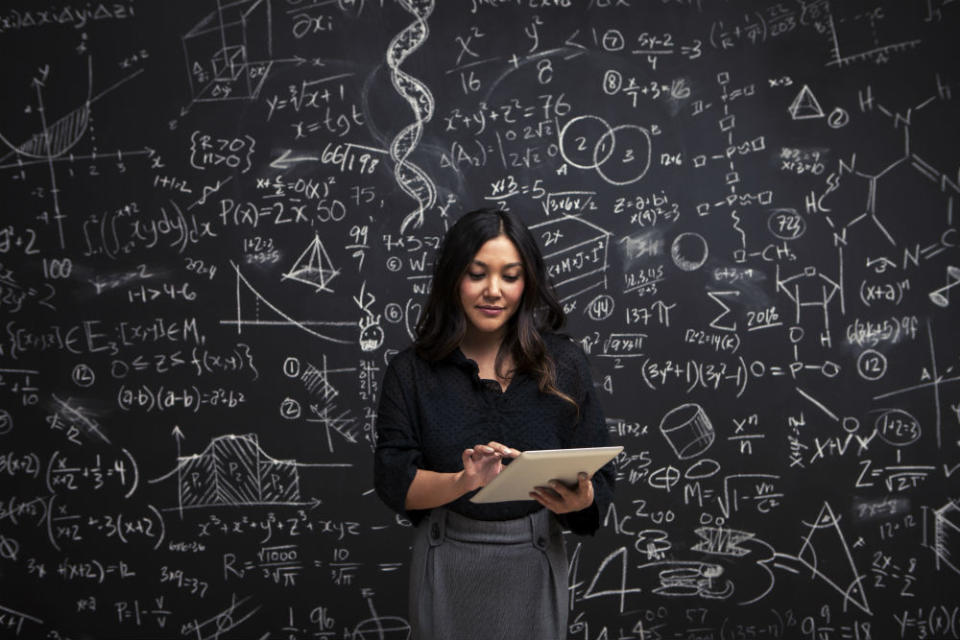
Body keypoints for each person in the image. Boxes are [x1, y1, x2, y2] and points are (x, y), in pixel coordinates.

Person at [374, 207, 615, 639]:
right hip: (447, 555)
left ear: (528, 283)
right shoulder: (411, 372)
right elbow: (394, 480)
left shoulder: (566, 363)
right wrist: (462, 482)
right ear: (453, 278)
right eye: (476, 273)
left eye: (510, 276)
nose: (493, 291)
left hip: (535, 555)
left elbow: (602, 480)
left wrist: (579, 500)